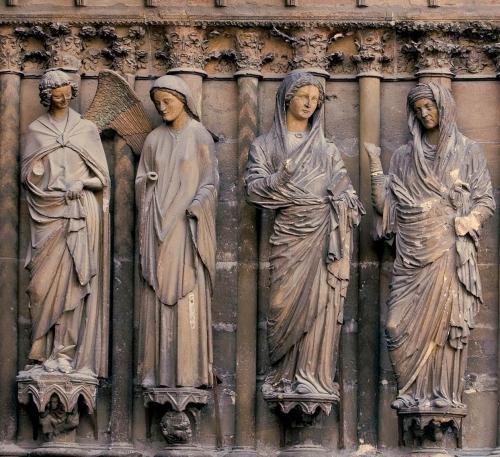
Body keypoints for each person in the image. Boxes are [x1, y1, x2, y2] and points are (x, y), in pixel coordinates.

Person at [365, 82, 495, 410]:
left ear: (444, 108)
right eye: (419, 109)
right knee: (395, 326)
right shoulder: (405, 157)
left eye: (430, 106)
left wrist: (472, 219)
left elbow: (485, 199)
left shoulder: (468, 151)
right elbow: (387, 206)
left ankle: (442, 397)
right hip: (411, 254)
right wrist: (375, 167)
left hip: (448, 252)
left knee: (446, 329)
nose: (425, 114)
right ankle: (410, 392)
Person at [245, 71, 364, 397]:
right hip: (289, 239)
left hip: (323, 234)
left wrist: (344, 202)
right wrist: (280, 179)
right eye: (303, 97)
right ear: (287, 98)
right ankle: (284, 376)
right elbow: (253, 191)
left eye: (316, 99)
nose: (310, 103)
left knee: (322, 305)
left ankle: (313, 376)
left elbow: (347, 193)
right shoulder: (266, 146)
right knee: (282, 304)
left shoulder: (327, 151)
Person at [21, 69, 110, 377]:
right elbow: (27, 176)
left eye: (65, 92)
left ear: (72, 91)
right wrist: (38, 173)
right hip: (46, 218)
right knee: (41, 287)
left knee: (73, 284)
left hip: (77, 217)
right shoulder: (35, 130)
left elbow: (102, 179)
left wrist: (82, 183)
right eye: (54, 94)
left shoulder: (85, 129)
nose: (61, 97)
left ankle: (64, 353)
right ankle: (40, 349)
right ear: (46, 96)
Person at [136, 75, 218, 388]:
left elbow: (211, 181)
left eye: (166, 101)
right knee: (156, 298)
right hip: (158, 228)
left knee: (189, 296)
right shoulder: (153, 139)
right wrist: (148, 183)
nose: (161, 108)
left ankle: (191, 372)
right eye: (157, 103)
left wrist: (199, 204)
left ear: (182, 100)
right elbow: (141, 179)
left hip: (188, 227)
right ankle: (157, 372)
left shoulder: (200, 135)